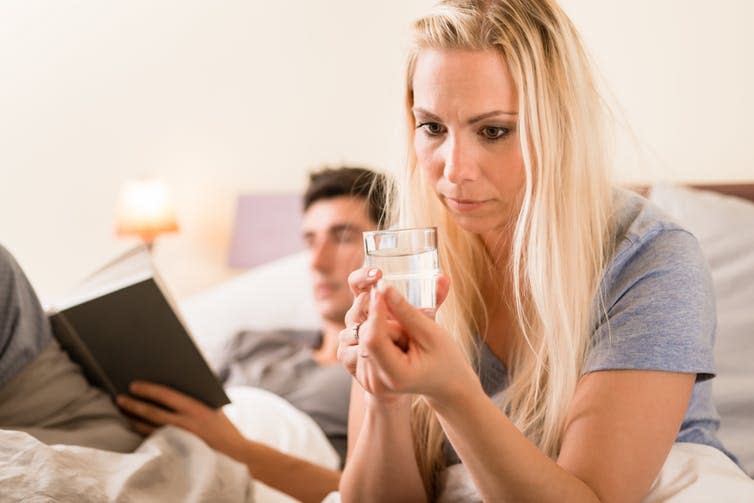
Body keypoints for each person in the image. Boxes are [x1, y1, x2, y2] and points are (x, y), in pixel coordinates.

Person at [335, 1, 748, 502]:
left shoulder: (650, 261)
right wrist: (385, 395)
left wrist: (452, 391)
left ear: (560, 126)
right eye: (433, 128)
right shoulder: (412, 263)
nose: (453, 169)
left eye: (494, 131)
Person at [116, 166, 387, 502]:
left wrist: (232, 448)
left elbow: (371, 493)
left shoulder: (384, 370)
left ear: (386, 250)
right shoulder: (249, 342)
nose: (317, 261)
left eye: (343, 237)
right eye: (309, 240)